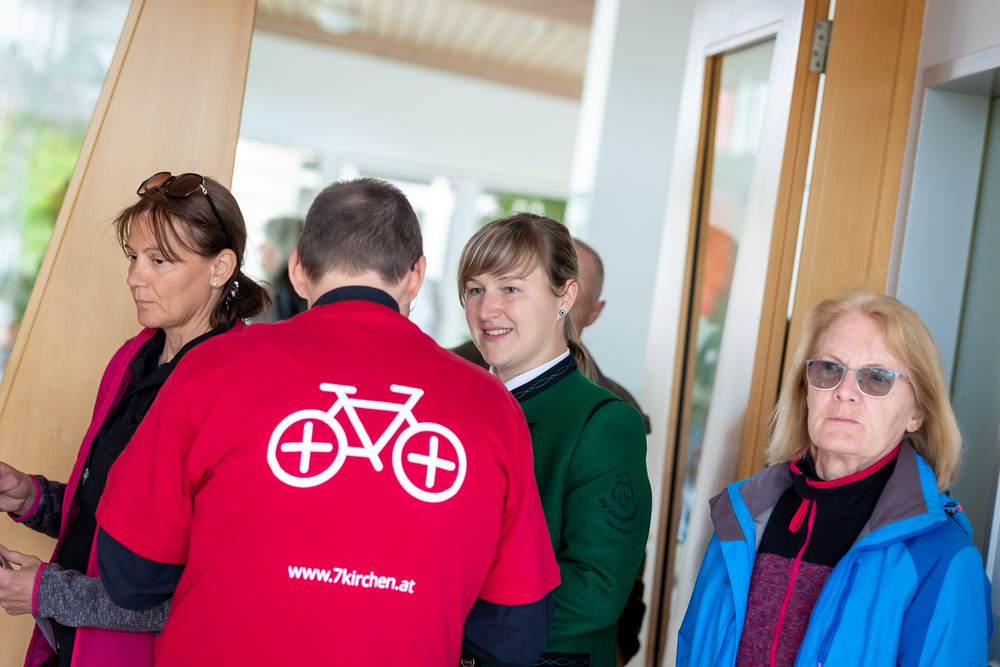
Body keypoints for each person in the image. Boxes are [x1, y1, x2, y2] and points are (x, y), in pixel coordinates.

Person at [95, 178, 561, 667]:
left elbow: (131, 575)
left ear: (297, 270)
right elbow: (514, 633)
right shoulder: (490, 406)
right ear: (415, 276)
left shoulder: (211, 369)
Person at [0, 171, 269, 667]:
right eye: (133, 256)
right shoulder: (133, 358)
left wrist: (48, 592)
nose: (133, 277)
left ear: (220, 267)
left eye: (158, 260)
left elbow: (199, 589)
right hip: (65, 648)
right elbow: (114, 523)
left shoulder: (237, 390)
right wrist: (31, 497)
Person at [677, 289, 992, 667]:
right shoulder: (742, 517)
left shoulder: (944, 559)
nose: (844, 392)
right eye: (829, 369)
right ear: (805, 391)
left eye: (877, 377)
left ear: (917, 413)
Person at [458, 213, 651, 667]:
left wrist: (449, 612)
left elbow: (597, 587)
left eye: (510, 288)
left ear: (565, 296)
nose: (486, 310)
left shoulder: (606, 422)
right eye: (475, 289)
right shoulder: (451, 404)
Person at [452, 238, 651, 435]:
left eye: (569, 298)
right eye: (477, 290)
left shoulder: (615, 410)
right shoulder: (449, 370)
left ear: (594, 312)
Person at [258, 215, 308, 321]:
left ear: (281, 246)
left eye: (267, 240)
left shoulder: (283, 288)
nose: (261, 247)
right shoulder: (297, 286)